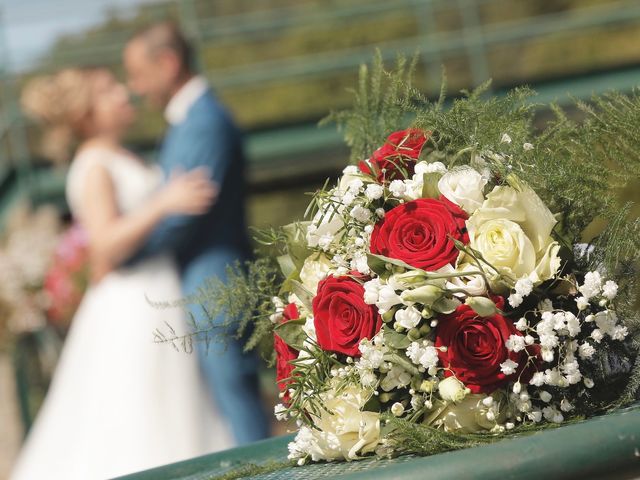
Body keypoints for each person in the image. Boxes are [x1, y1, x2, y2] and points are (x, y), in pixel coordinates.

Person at [11, 68, 232, 480]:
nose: (122, 93)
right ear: (84, 114)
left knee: (176, 403)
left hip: (158, 290)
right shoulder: (94, 164)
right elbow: (105, 244)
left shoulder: (121, 155)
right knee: (140, 407)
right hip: (133, 302)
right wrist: (164, 202)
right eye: (107, 91)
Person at [124, 22, 270, 444]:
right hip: (200, 288)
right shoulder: (190, 121)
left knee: (237, 404)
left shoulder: (204, 122)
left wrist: (124, 255)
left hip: (216, 288)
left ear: (168, 63)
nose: (134, 86)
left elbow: (183, 218)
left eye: (138, 73)